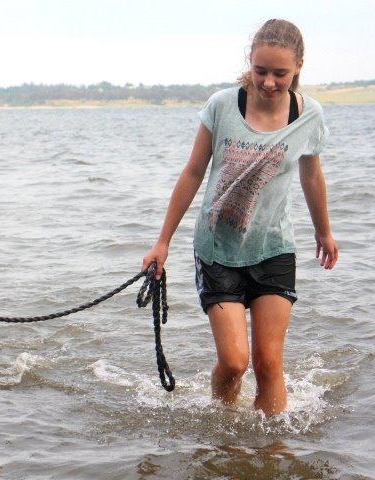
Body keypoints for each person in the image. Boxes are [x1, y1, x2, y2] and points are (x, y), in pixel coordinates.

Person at [141, 19, 338, 416]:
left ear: (298, 66)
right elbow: (194, 172)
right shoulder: (222, 105)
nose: (268, 82)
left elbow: (311, 174)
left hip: (274, 248)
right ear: (249, 62)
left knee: (268, 364)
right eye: (260, 70)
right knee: (235, 363)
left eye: (279, 73)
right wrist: (162, 242)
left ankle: (273, 454)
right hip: (218, 250)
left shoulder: (308, 115)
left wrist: (324, 232)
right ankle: (225, 438)